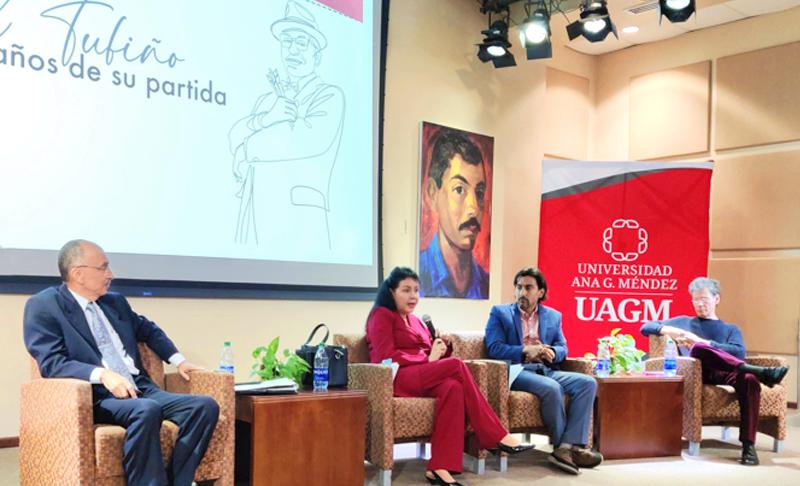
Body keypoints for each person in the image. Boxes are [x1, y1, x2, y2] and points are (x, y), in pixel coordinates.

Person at [23, 240, 220, 486]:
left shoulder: (115, 302)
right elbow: (52, 363)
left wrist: (179, 360)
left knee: (204, 406)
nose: (110, 274)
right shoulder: (44, 306)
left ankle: (179, 481)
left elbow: (148, 330)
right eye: (103, 268)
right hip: (96, 395)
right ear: (78, 273)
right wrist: (102, 374)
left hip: (139, 386)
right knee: (146, 409)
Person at [366, 267, 532, 486]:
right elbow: (384, 356)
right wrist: (427, 359)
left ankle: (439, 468)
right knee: (455, 366)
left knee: (453, 387)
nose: (413, 296)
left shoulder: (415, 321)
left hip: (420, 374)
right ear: (391, 291)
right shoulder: (381, 315)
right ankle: (494, 434)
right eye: (406, 290)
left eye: (416, 290)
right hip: (396, 378)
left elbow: (431, 352)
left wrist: (444, 345)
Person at [228, 0, 345, 247]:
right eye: (287, 42)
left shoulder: (329, 95)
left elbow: (301, 140)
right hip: (252, 222)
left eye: (301, 43)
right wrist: (266, 119)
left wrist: (246, 148)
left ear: (317, 54)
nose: (292, 51)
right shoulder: (266, 101)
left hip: (300, 229)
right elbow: (234, 134)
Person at [641, 276, 789, 466]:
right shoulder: (683, 322)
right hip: (698, 373)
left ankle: (748, 445)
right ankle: (763, 373)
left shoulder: (730, 328)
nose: (699, 304)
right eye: (695, 300)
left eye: (704, 299)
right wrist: (673, 331)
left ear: (716, 299)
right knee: (698, 349)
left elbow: (739, 352)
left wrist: (703, 341)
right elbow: (646, 327)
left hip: (726, 372)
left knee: (750, 379)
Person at [485, 267, 602, 475]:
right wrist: (524, 350)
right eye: (519, 287)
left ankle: (568, 447)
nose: (522, 293)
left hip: (546, 368)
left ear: (541, 292)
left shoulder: (553, 316)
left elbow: (563, 348)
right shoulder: (500, 313)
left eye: (528, 287)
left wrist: (552, 352)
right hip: (517, 370)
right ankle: (563, 447)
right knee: (552, 388)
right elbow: (494, 348)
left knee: (588, 383)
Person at [419, 128, 489, 299]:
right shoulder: (416, 282)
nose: (474, 208)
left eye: (479, 192)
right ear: (432, 193)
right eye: (459, 189)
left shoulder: (485, 284)